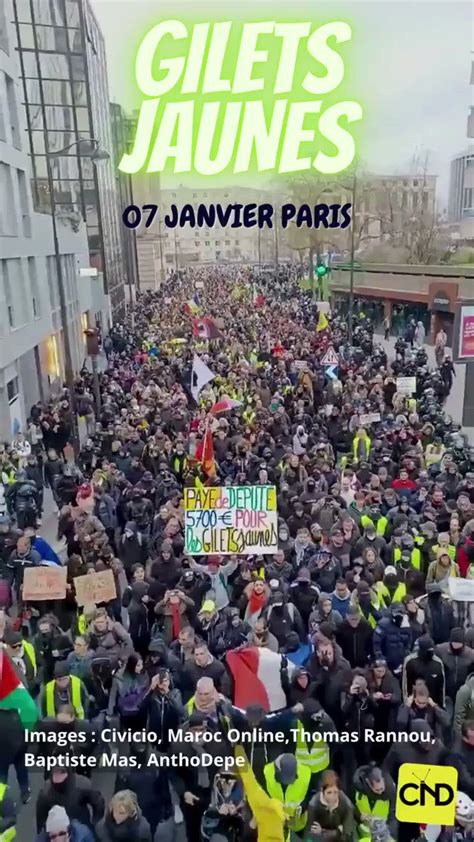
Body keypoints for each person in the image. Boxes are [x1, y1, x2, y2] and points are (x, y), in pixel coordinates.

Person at [263, 752, 312, 835]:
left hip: (297, 822)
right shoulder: (267, 772)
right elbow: (262, 793)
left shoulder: (306, 773)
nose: (288, 783)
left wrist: (303, 807)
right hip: (276, 821)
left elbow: (311, 793)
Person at [305, 770, 354, 841]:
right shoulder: (314, 804)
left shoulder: (346, 803)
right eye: (329, 792)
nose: (333, 797)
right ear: (322, 790)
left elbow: (347, 834)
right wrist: (339, 830)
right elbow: (310, 836)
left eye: (335, 792)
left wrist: (322, 831)